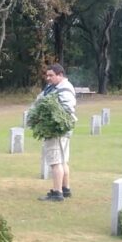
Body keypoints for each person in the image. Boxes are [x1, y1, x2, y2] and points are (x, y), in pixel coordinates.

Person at [35, 64, 77, 202]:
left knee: (55, 162)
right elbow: (39, 100)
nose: (48, 78)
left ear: (60, 74)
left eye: (51, 75)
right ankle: (65, 189)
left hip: (56, 130)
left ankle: (57, 193)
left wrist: (47, 118)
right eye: (47, 75)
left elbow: (65, 109)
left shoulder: (64, 89)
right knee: (63, 160)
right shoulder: (52, 88)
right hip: (58, 130)